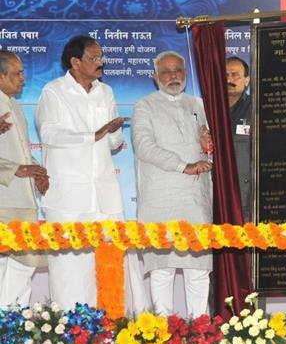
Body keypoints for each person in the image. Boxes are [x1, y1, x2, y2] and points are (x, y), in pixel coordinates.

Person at [36, 35, 148, 315]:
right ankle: (71, 337)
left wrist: (113, 133)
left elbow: (112, 144)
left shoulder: (105, 92)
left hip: (105, 196)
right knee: (70, 271)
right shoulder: (54, 91)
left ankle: (110, 337)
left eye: (102, 57)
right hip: (68, 199)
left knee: (111, 266)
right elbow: (49, 133)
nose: (101, 63)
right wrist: (94, 134)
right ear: (75, 62)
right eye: (94, 58)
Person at [132, 50, 213, 317]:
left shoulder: (200, 105)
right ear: (155, 77)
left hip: (195, 199)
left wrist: (208, 146)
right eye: (165, 71)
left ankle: (201, 334)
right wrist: (183, 165)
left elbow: (212, 151)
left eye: (178, 70)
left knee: (198, 270)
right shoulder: (144, 104)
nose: (173, 76)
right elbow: (144, 146)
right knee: (162, 269)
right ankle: (162, 335)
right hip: (160, 199)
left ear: (186, 74)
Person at [0, 50, 49, 307]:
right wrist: (14, 170)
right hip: (3, 200)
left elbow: (23, 153)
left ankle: (14, 325)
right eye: (17, 74)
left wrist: (37, 171)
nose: (23, 79)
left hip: (25, 200)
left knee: (25, 266)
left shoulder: (16, 107)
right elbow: (14, 163)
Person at [226, 56, 251, 221]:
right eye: (225, 74)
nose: (229, 79)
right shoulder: (205, 108)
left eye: (235, 75)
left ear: (246, 81)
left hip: (246, 199)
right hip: (213, 197)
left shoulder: (257, 108)